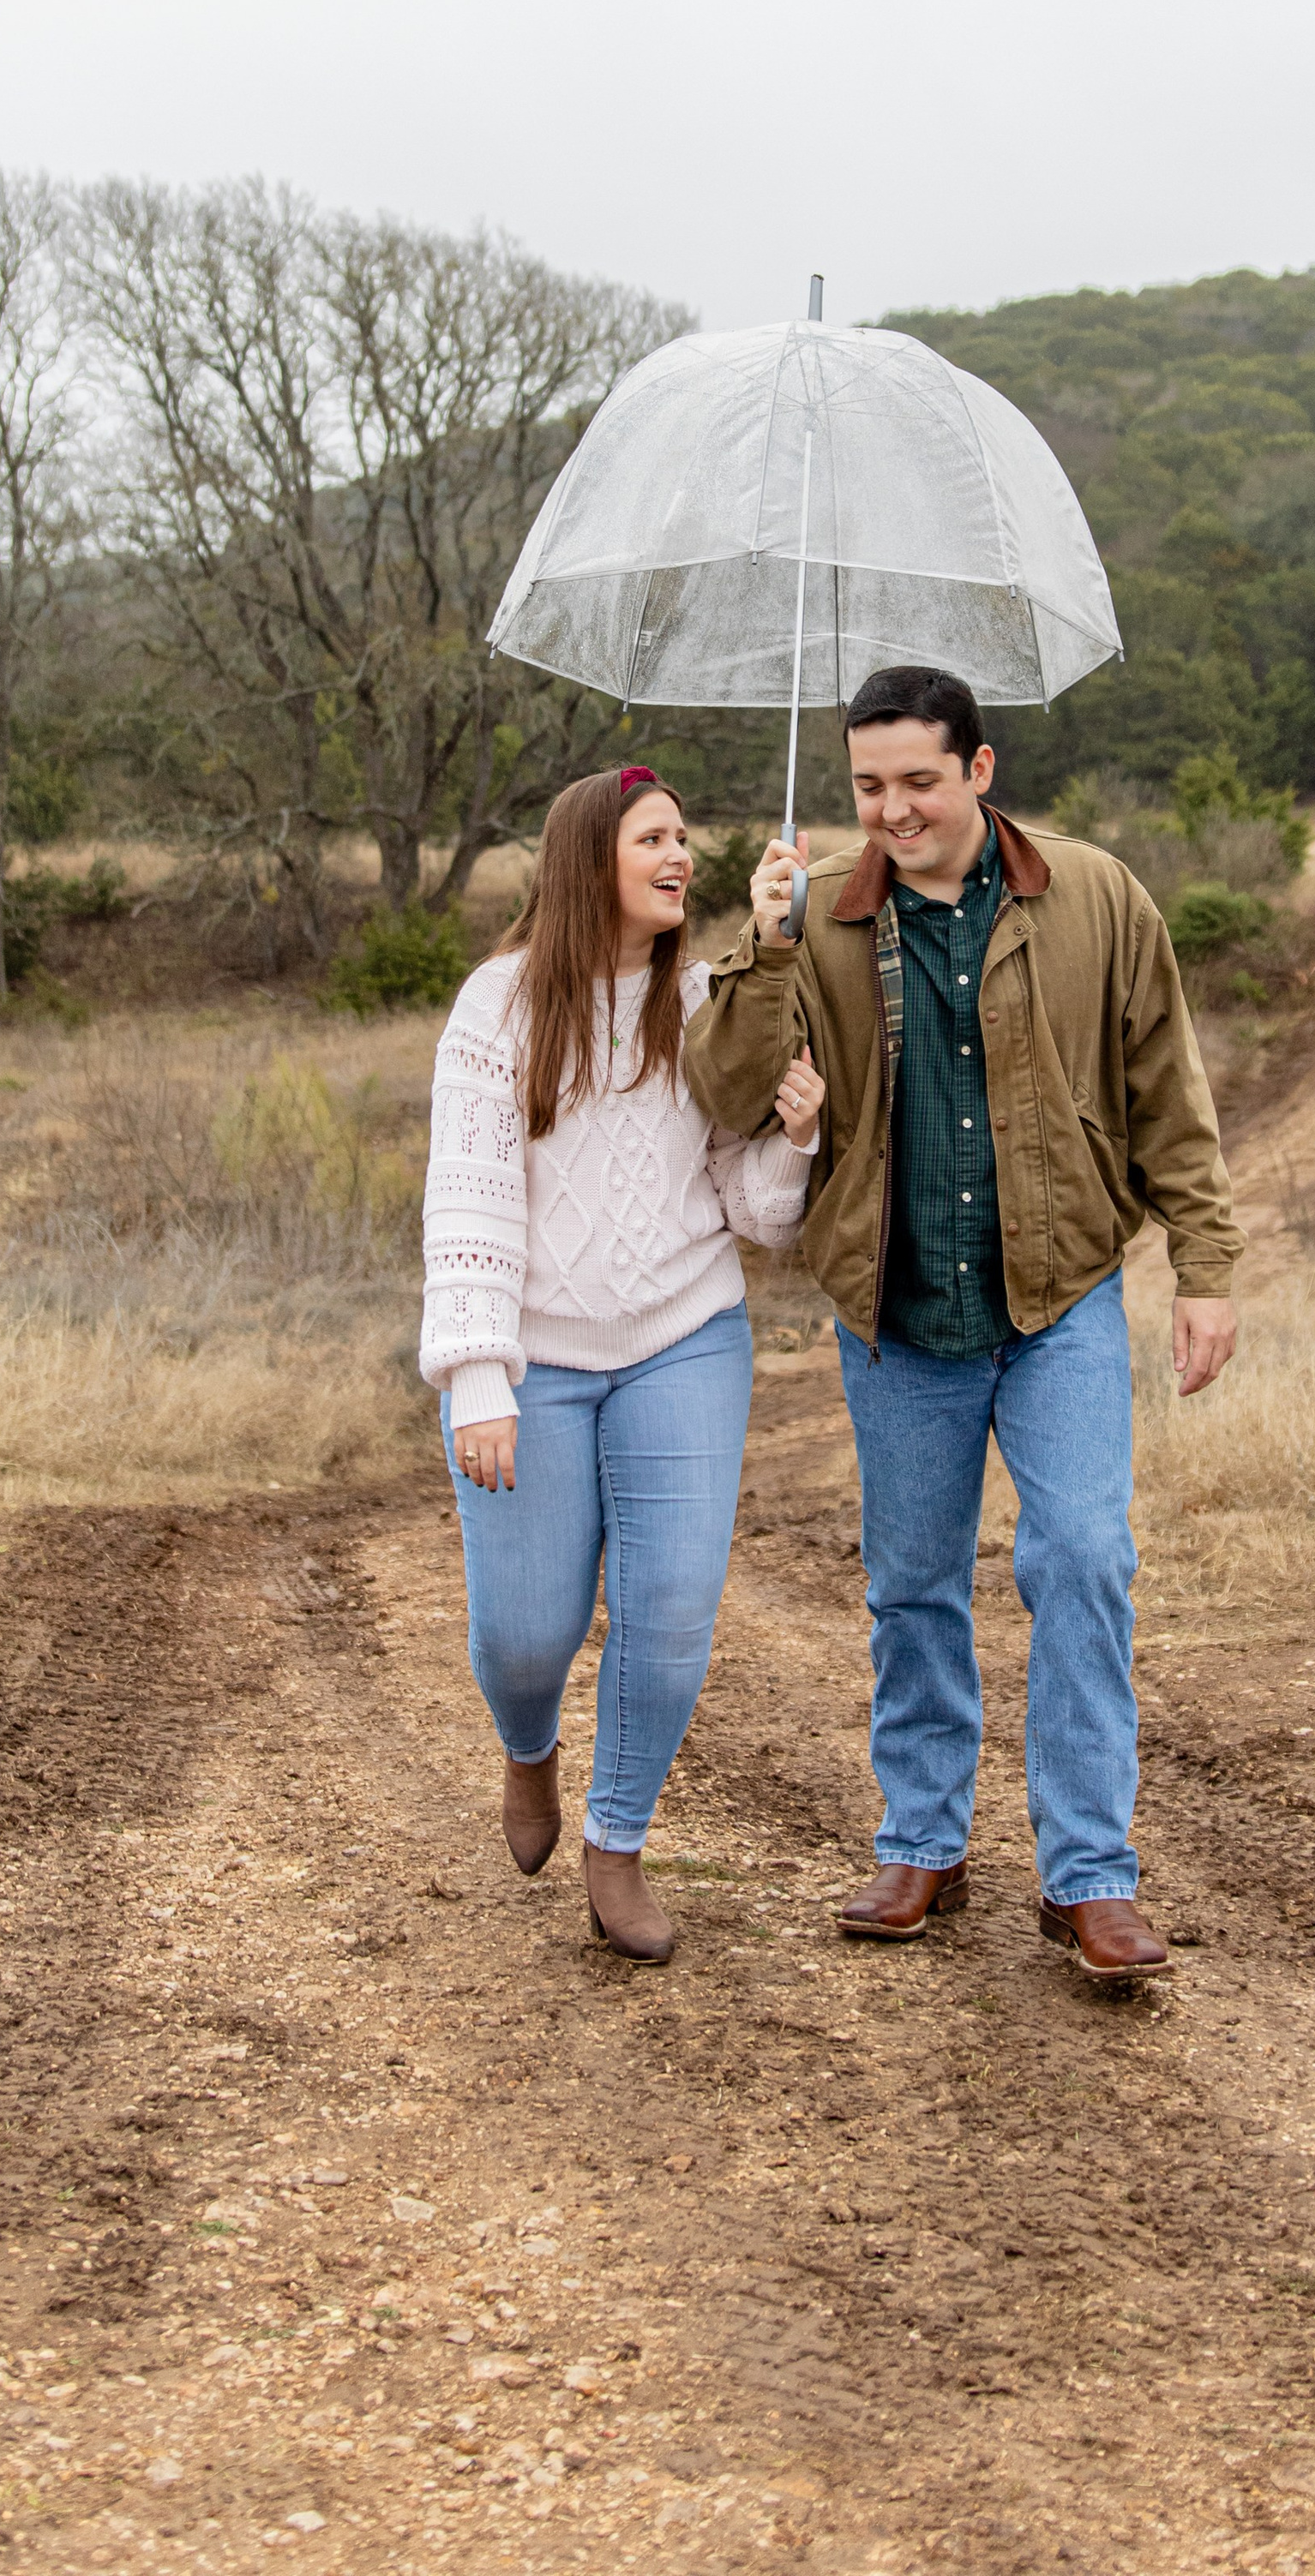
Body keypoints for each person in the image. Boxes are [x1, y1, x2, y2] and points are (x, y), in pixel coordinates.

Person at [685, 668, 1242, 1981]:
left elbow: (1168, 1084)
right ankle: (924, 1845)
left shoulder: (1096, 895)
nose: (891, 811)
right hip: (897, 1311)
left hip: (1060, 1299)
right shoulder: (812, 914)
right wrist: (759, 944)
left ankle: (1089, 1878)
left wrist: (1205, 1264)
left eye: (918, 784)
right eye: (868, 787)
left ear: (980, 772)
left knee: (1085, 1561)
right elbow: (719, 1090)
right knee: (915, 1590)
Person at [419, 764, 825, 1963]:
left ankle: (619, 1841)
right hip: (535, 1355)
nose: (679, 856)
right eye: (653, 837)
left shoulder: (703, 1002)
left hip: (684, 1338)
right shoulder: (496, 1008)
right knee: (529, 1634)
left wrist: (796, 1140)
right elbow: (472, 1202)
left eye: (685, 839)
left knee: (670, 1610)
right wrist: (480, 1377)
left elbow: (753, 1211)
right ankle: (529, 1747)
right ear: (587, 856)